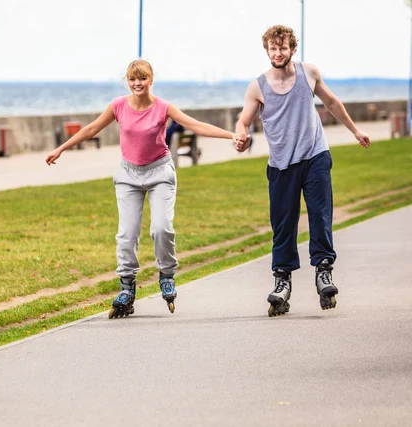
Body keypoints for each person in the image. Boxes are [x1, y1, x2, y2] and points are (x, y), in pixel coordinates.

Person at [46, 59, 245, 319]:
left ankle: (166, 275)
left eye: (142, 78)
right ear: (127, 82)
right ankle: (127, 287)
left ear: (151, 80)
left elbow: (195, 125)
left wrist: (231, 135)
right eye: (132, 79)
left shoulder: (163, 107)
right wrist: (61, 148)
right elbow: (92, 128)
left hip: (160, 172)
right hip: (128, 174)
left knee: (161, 228)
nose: (137, 83)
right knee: (127, 234)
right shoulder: (118, 106)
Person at [234, 25, 371, 317]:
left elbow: (332, 102)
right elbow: (243, 121)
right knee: (283, 225)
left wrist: (355, 131)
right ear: (267, 50)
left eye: (283, 47)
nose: (278, 52)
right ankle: (282, 282)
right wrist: (241, 136)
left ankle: (324, 272)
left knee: (320, 215)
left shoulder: (308, 73)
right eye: (273, 48)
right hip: (281, 164)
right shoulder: (258, 86)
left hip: (315, 156)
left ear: (292, 49)